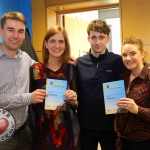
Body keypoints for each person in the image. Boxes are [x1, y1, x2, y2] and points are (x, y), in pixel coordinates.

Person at [76, 19, 125, 150]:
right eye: (94, 37)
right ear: (88, 39)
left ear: (108, 38)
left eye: (101, 37)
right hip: (85, 126)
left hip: (111, 126)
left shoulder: (118, 61)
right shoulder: (79, 63)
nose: (97, 42)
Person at [0, 11, 47, 150]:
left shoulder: (25, 57)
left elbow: (44, 68)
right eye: (11, 30)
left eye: (20, 31)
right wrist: (28, 98)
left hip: (23, 133)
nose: (16, 36)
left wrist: (65, 61)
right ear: (1, 31)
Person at [30, 25, 80, 150]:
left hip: (69, 132)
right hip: (43, 132)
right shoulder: (35, 70)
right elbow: (30, 103)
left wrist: (74, 101)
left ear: (65, 45)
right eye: (52, 41)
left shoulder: (71, 68)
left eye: (61, 41)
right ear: (46, 44)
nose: (57, 46)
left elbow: (78, 103)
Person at [114, 36, 150, 150]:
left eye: (133, 53)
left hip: (143, 142)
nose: (128, 58)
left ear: (142, 54)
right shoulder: (122, 78)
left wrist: (137, 110)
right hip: (122, 140)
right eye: (124, 55)